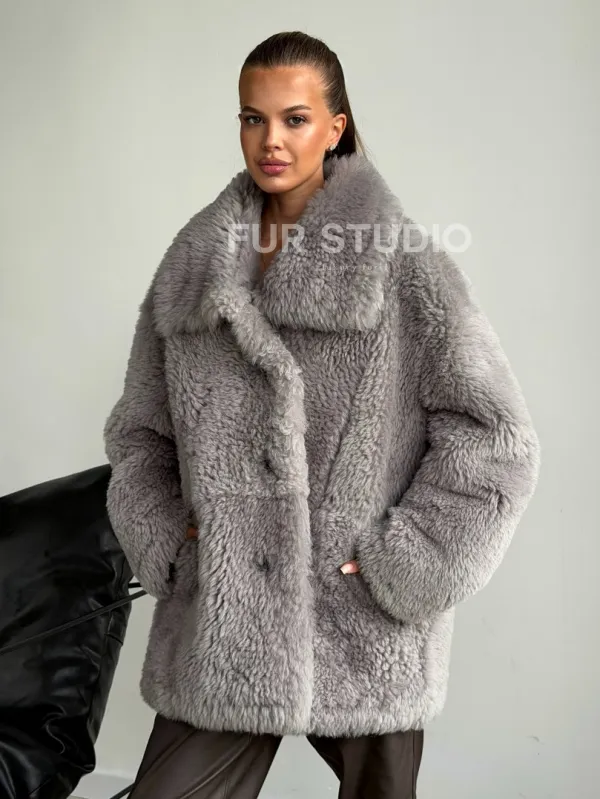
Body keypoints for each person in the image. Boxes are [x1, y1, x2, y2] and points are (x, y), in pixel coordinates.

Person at [103, 30, 540, 799]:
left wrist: (402, 561)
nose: (270, 139)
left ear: (335, 126)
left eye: (295, 118)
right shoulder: (195, 267)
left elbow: (497, 438)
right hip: (227, 617)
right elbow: (142, 430)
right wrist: (169, 537)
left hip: (363, 622)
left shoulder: (401, 263)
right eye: (253, 118)